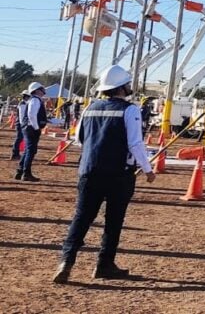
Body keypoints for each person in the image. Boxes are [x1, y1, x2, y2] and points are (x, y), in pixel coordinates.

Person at [53, 65, 155, 284]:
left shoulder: (90, 108)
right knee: (114, 220)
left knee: (81, 218)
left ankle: (66, 261)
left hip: (89, 170)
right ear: (122, 87)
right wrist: (147, 169)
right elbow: (136, 143)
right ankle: (104, 264)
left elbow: (80, 139)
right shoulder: (130, 110)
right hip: (119, 173)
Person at [16, 82, 47, 181]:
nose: (43, 91)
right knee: (31, 150)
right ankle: (26, 173)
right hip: (31, 128)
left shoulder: (33, 100)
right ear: (37, 90)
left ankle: (20, 171)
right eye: (42, 89)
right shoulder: (35, 100)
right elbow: (31, 115)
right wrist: (36, 128)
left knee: (27, 150)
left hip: (29, 127)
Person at [9, 90, 29, 161]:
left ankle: (16, 154)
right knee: (19, 138)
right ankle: (15, 154)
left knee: (19, 139)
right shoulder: (23, 104)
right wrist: (23, 125)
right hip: (21, 123)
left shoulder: (24, 103)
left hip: (21, 123)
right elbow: (22, 116)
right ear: (27, 96)